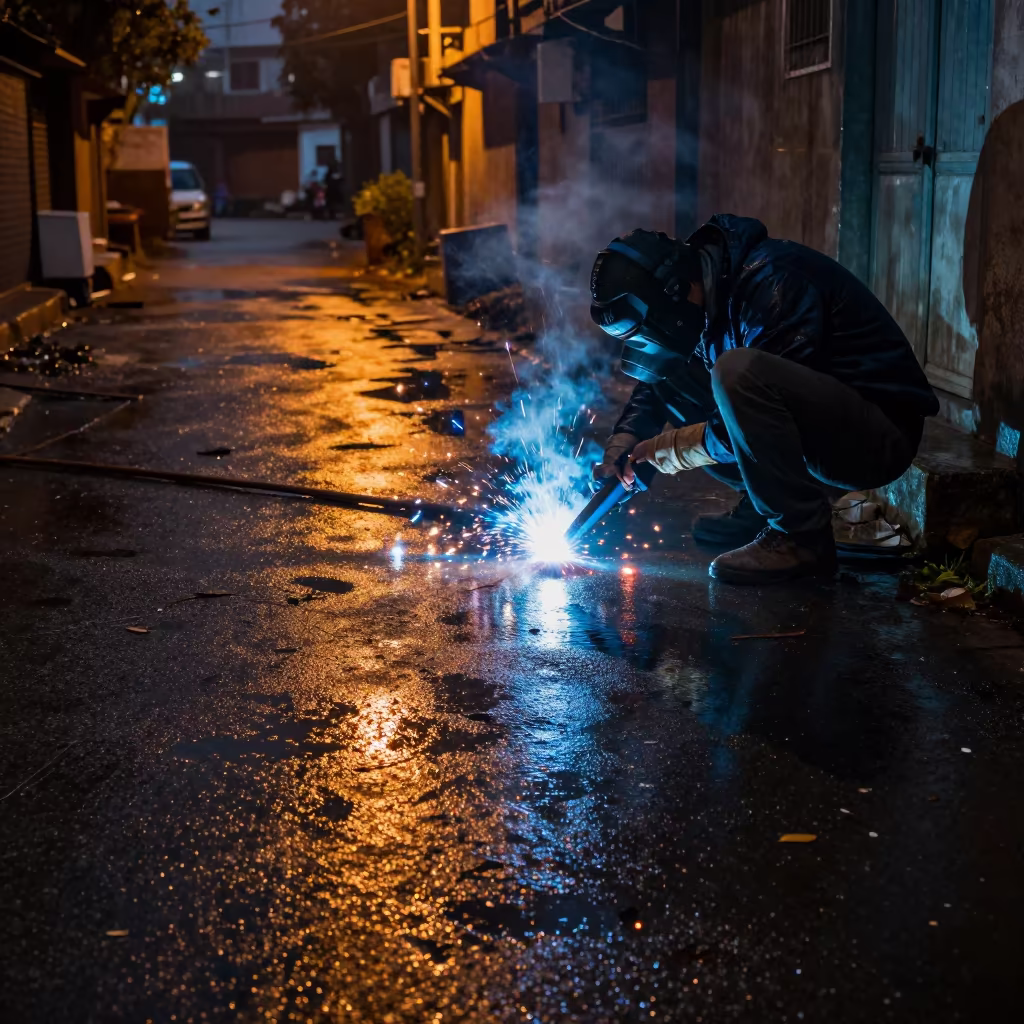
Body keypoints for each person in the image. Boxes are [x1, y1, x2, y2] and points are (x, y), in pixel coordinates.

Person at [589, 214, 939, 584]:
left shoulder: (774, 282)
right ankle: (762, 505)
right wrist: (623, 445)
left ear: (674, 290)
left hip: (876, 436)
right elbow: (663, 378)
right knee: (686, 369)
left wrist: (667, 451)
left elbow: (759, 410)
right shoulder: (709, 291)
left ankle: (799, 537)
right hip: (823, 425)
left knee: (738, 372)